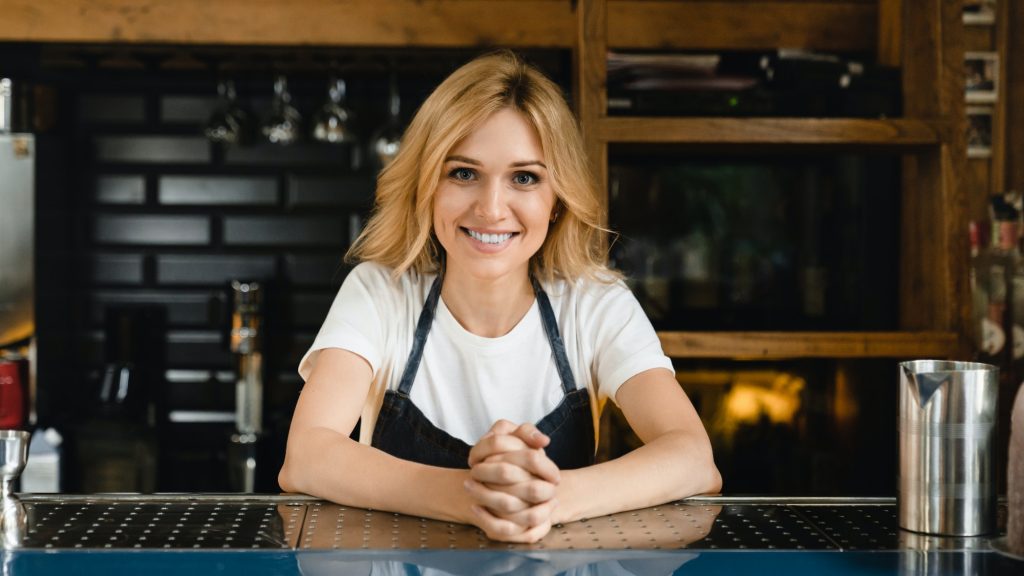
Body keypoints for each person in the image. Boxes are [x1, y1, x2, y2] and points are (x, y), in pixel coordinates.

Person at [278, 50, 721, 543]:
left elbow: (692, 459)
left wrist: (549, 499)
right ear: (427, 186)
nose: (491, 208)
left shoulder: (595, 303)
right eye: (463, 172)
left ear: (557, 201)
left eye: (525, 177)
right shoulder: (382, 291)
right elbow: (307, 457)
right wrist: (470, 495)